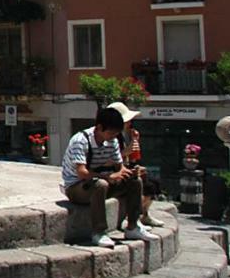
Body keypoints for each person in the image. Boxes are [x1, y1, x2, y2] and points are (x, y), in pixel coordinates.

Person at [61, 104, 151, 247]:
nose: (113, 137)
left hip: (102, 183)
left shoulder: (113, 141)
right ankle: (99, 232)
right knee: (100, 184)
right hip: (78, 187)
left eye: (116, 134)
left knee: (135, 181)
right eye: (110, 133)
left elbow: (119, 167)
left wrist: (128, 173)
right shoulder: (80, 140)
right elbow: (82, 173)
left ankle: (133, 226)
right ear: (100, 128)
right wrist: (108, 177)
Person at [114, 103, 166, 228]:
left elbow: (131, 158)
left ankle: (145, 214)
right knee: (137, 183)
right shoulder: (112, 138)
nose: (129, 123)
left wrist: (134, 142)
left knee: (152, 183)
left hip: (123, 167)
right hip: (113, 172)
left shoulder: (122, 136)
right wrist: (126, 152)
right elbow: (112, 159)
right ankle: (132, 216)